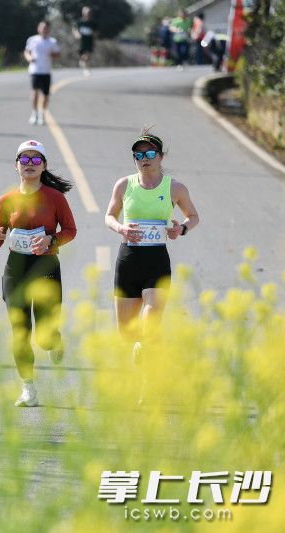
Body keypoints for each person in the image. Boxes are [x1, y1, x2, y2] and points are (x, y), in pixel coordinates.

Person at [0, 140, 76, 407]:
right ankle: (28, 388)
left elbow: (70, 230)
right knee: (20, 332)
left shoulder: (55, 198)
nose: (29, 164)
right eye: (24, 160)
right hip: (16, 268)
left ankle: (55, 340)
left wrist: (51, 242)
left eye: (35, 160)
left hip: (46, 267)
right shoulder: (6, 200)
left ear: (44, 166)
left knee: (45, 338)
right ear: (16, 166)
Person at [103, 131, 199, 369]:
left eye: (149, 153)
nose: (144, 158)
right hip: (128, 259)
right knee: (126, 332)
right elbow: (109, 216)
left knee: (150, 323)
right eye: (139, 155)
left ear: (161, 157)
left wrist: (181, 229)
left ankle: (151, 377)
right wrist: (121, 228)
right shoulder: (124, 185)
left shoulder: (174, 188)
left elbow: (193, 216)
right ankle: (140, 347)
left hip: (156, 260)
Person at [24, 21, 61, 126]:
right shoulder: (32, 40)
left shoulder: (52, 42)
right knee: (34, 92)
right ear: (38, 29)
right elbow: (27, 51)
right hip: (35, 70)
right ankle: (34, 112)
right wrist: (29, 58)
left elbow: (58, 55)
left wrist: (52, 55)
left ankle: (41, 113)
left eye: (46, 28)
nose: (44, 29)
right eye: (42, 27)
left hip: (46, 71)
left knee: (45, 95)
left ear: (48, 29)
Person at [73, 6, 97, 76]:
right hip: (81, 43)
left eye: (89, 12)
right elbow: (74, 29)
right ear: (83, 13)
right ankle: (85, 69)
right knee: (84, 56)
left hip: (89, 42)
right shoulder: (79, 22)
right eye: (87, 12)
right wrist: (76, 34)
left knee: (87, 56)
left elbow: (96, 32)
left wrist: (94, 36)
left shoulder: (92, 23)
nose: (88, 14)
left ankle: (85, 68)